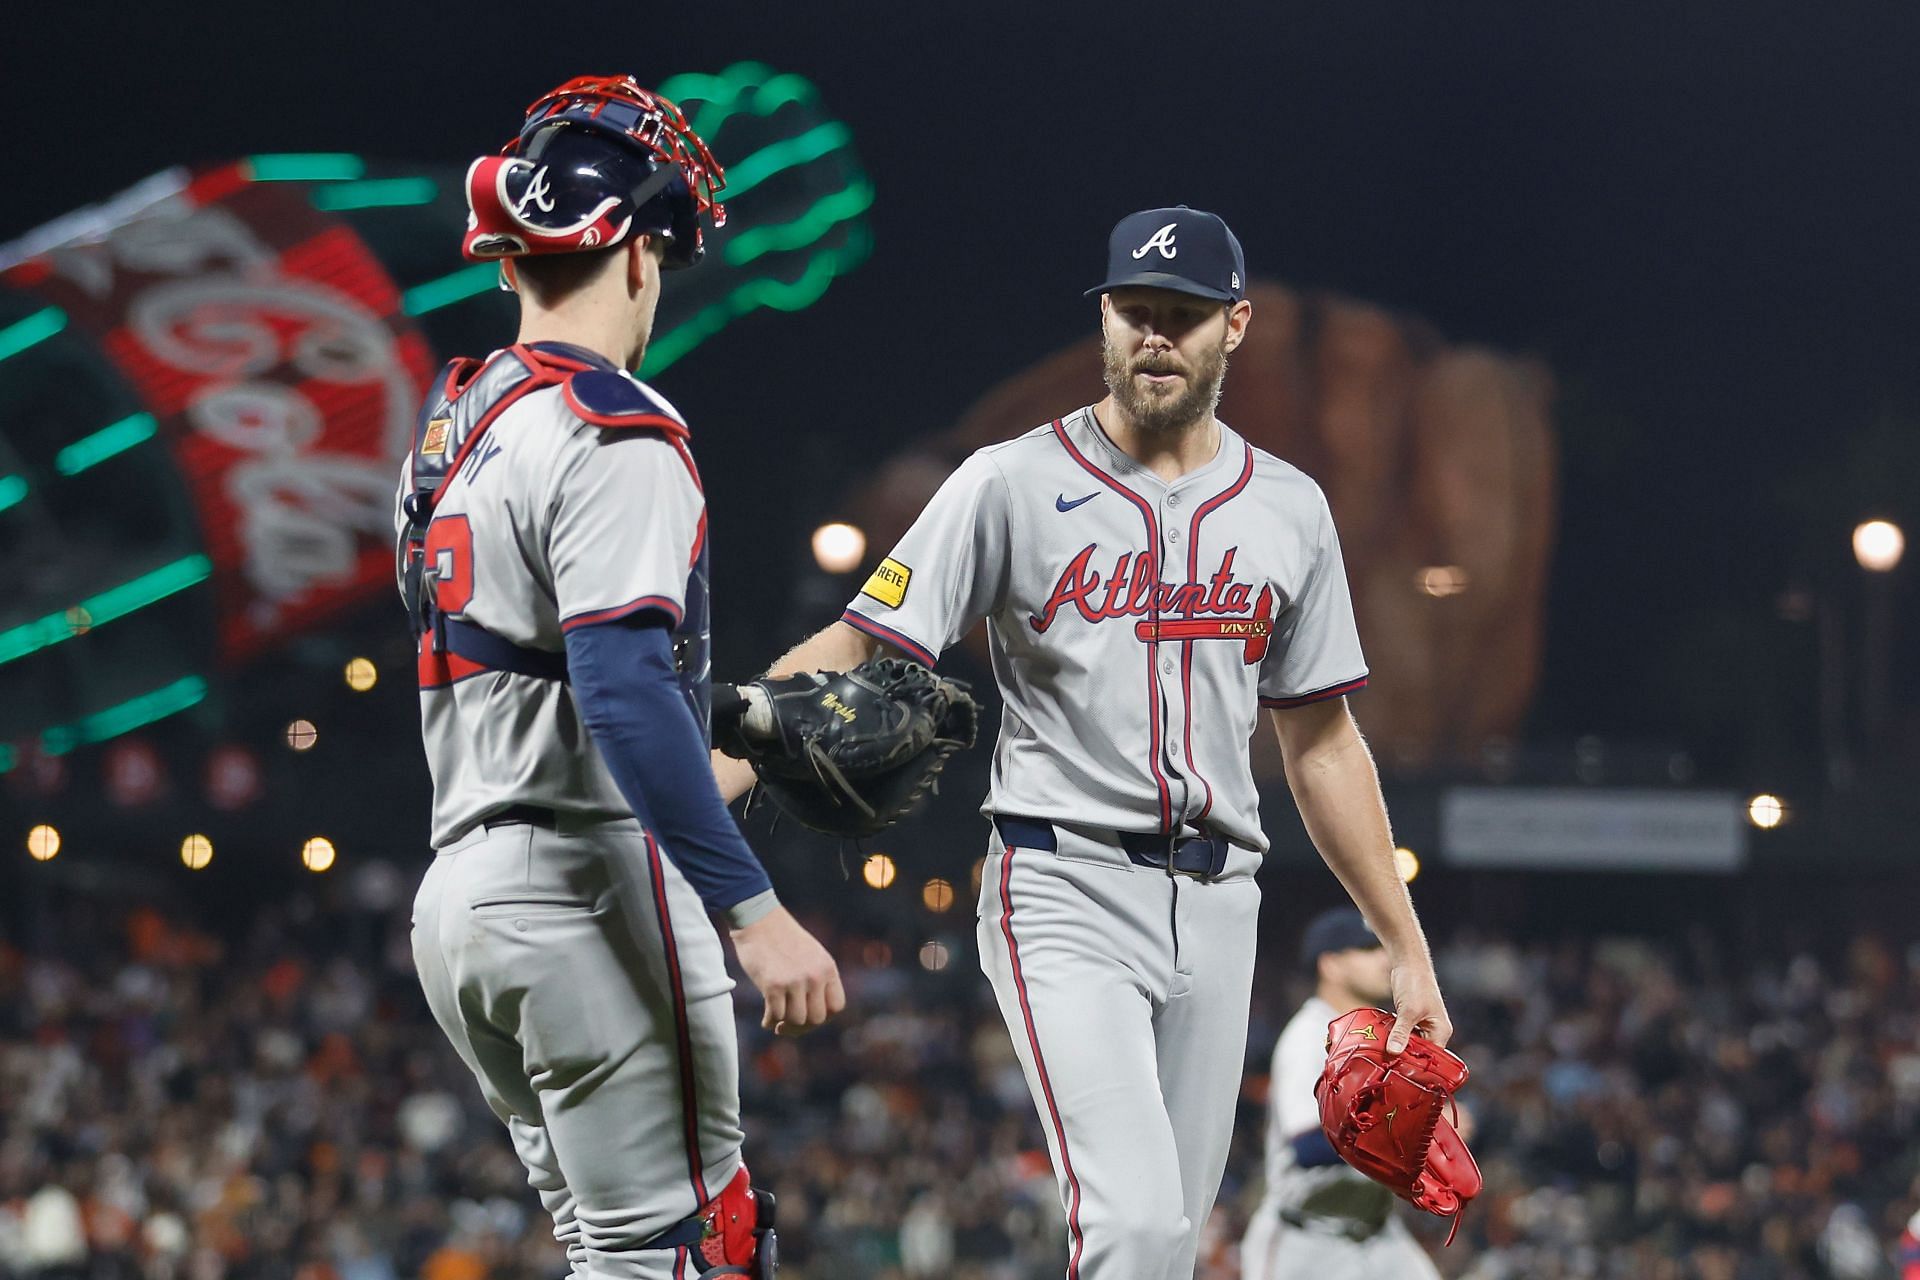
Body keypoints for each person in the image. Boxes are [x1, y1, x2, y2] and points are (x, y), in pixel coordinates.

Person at [714, 205, 1452, 1279]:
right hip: (1062, 883)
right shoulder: (1006, 483)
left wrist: (1408, 945)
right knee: (1137, 1223)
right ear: (1104, 318)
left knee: (1169, 1242)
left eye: (1184, 315)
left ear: (1234, 326)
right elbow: (857, 642)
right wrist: (700, 773)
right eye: (1136, 309)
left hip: (1220, 901)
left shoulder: (1290, 509)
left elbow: (1324, 741)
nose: (1157, 334)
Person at [397, 74, 843, 1279]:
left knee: (608, 1249)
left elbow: (546, 689)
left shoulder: (458, 425)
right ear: (639, 257)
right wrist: (757, 915)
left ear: (509, 261)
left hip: (463, 900)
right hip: (584, 887)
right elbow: (618, 690)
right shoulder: (619, 427)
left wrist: (748, 747)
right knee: (688, 1251)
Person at [1240, 909, 1442, 1280]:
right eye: (1367, 949)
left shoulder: (1382, 1038)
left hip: (1379, 1234)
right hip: (1307, 1241)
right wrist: (1413, 1136)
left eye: (1383, 947)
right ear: (1330, 964)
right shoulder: (1309, 1036)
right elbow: (1310, 1145)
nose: (1385, 958)